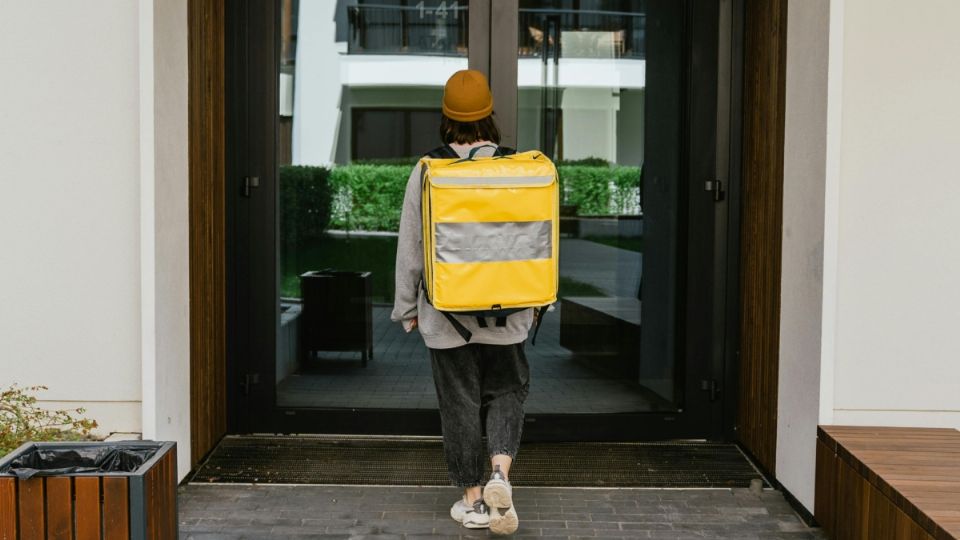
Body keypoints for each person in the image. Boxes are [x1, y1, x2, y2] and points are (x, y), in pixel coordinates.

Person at [391, 69, 532, 536]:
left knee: (460, 402)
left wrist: (406, 307)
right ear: (489, 114)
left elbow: (411, 244)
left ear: (447, 117)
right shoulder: (516, 168)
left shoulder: (430, 169)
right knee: (506, 390)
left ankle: (473, 503)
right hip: (509, 307)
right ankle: (500, 476)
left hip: (447, 313)